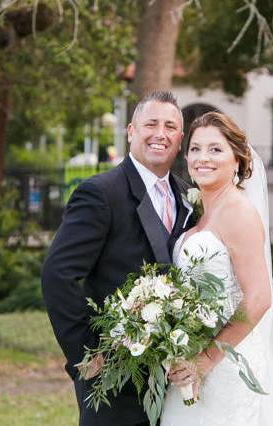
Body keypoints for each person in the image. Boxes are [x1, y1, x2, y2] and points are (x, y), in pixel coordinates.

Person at [41, 91, 193, 426]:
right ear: (130, 131)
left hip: (174, 384)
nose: (160, 133)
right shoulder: (100, 193)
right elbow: (58, 274)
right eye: (150, 123)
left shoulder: (188, 197)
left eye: (170, 126)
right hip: (115, 381)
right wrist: (85, 355)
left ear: (180, 139)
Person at [161, 112, 273, 425]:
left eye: (215, 149)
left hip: (227, 367)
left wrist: (205, 361)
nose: (202, 158)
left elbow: (258, 298)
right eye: (195, 149)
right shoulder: (203, 214)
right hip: (193, 362)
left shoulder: (238, 212)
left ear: (237, 160)